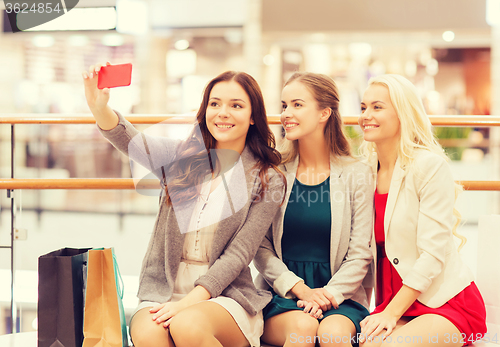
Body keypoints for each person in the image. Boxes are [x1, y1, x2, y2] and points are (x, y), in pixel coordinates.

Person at [82, 64, 286, 347]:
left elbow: (239, 254)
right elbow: (130, 140)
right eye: (215, 103)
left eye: (236, 105)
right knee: (149, 335)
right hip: (163, 289)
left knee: (188, 325)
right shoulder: (182, 158)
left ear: (253, 117)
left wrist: (187, 304)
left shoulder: (267, 178)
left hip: (225, 295)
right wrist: (99, 108)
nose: (223, 113)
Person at [357, 74, 487, 347]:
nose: (366, 115)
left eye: (377, 107)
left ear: (403, 113)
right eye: (363, 107)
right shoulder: (365, 172)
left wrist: (391, 313)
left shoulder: (428, 167)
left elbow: (432, 254)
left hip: (443, 301)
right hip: (394, 301)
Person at [253, 72, 374, 347]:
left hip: (341, 297)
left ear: (324, 113)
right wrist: (302, 291)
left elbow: (360, 253)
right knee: (302, 329)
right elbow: (260, 248)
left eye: (297, 104)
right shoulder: (274, 172)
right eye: (284, 105)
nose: (286, 113)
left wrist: (327, 295)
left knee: (333, 335)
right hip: (281, 295)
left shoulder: (357, 173)